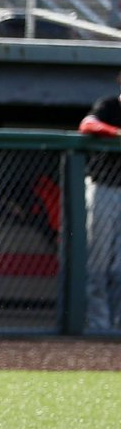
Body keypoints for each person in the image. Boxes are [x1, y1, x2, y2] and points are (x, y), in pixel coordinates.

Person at [77, 72, 121, 332]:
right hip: (103, 188)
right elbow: (87, 125)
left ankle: (117, 325)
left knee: (120, 266)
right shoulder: (109, 106)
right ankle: (97, 324)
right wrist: (116, 133)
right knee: (97, 261)